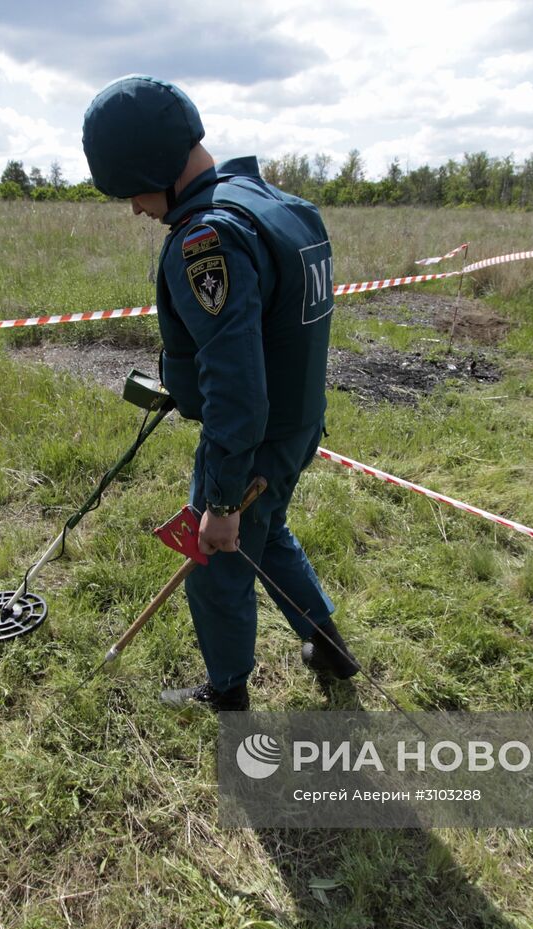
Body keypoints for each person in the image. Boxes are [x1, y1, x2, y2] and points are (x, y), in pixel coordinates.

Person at [82, 75, 358, 712]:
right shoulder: (279, 206)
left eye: (132, 191)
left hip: (249, 444)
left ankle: (227, 692)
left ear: (151, 164)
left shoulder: (207, 240)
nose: (134, 208)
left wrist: (223, 496)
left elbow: (238, 386)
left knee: (214, 563)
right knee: (271, 537)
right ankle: (330, 648)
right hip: (295, 429)